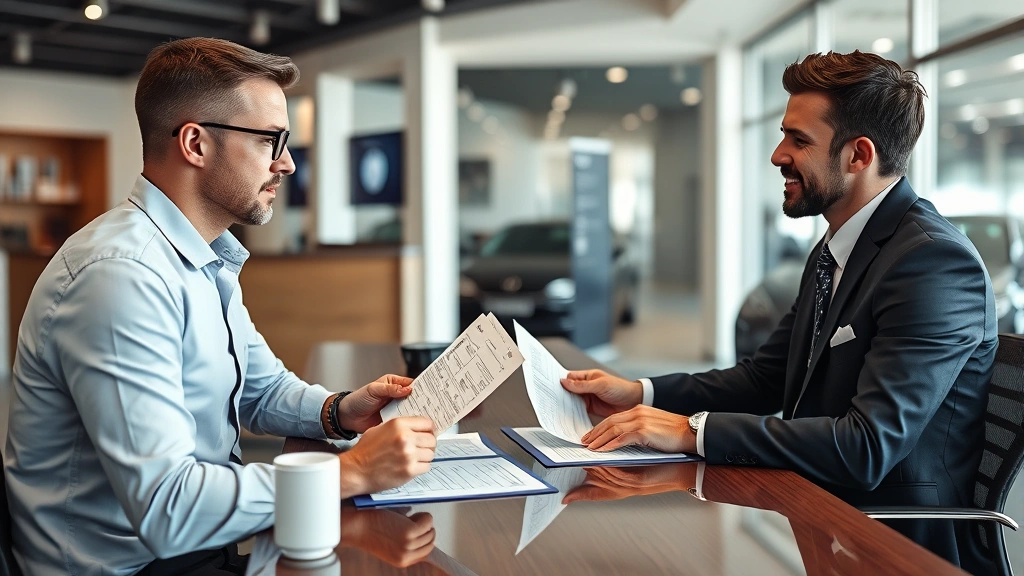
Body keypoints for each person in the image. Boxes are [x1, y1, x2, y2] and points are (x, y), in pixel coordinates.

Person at [5, 37, 436, 575]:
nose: (287, 164)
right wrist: (353, 472)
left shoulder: (200, 256)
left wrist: (339, 410)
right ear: (195, 143)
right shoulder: (120, 276)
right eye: (270, 140)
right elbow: (168, 507)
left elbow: (258, 387)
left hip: (193, 549)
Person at [562, 51, 996, 570]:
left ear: (859, 155)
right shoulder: (837, 248)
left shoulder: (933, 263)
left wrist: (690, 431)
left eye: (799, 140)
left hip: (894, 543)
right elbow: (765, 378)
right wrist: (639, 393)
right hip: (817, 516)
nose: (776, 154)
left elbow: (867, 446)